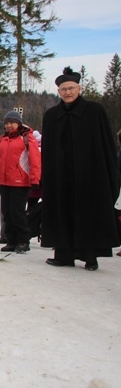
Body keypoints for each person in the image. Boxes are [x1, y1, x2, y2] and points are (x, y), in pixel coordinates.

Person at [42, 67, 120, 271]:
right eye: (63, 89)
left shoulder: (95, 111)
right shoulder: (52, 116)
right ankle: (64, 255)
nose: (67, 92)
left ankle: (90, 257)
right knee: (62, 212)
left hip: (90, 175)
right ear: (58, 92)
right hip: (61, 176)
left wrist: (110, 173)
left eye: (71, 88)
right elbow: (47, 151)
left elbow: (106, 144)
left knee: (88, 214)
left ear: (79, 89)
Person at [0, 111, 41, 253]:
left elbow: (35, 160)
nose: (9, 126)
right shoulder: (3, 139)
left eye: (12, 123)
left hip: (20, 183)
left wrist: (35, 179)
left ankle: (23, 240)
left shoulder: (27, 138)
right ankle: (10, 240)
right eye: (7, 123)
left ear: (19, 123)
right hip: (5, 182)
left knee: (18, 213)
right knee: (7, 213)